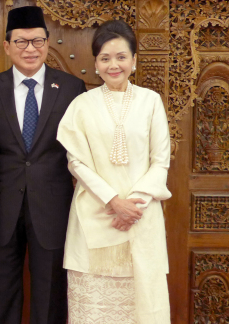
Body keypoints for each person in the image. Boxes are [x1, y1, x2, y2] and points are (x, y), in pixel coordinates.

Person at [0, 6, 87, 324]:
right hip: (3, 209)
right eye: (22, 42)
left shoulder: (70, 89)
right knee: (2, 292)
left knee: (51, 294)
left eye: (37, 41)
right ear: (7, 45)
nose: (30, 49)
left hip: (52, 208)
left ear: (48, 43)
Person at [57, 19, 171, 323]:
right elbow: (76, 161)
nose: (113, 65)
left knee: (142, 308)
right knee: (94, 311)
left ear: (134, 60)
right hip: (94, 218)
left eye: (121, 57)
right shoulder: (81, 105)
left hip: (140, 218)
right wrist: (113, 202)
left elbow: (160, 161)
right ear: (95, 63)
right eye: (105, 58)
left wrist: (133, 205)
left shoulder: (151, 102)